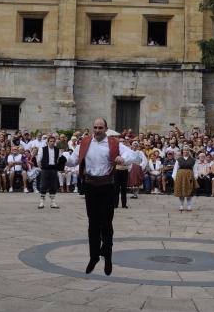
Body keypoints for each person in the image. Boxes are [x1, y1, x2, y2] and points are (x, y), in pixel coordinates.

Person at [62, 118, 139, 276]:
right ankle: (94, 256)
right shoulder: (85, 142)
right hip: (90, 186)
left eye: (100, 127)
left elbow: (132, 155)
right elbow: (73, 160)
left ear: (106, 128)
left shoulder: (114, 143)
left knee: (106, 222)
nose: (97, 130)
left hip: (107, 186)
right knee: (93, 223)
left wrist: (122, 158)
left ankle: (108, 256)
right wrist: (64, 159)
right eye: (95, 127)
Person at [38, 133, 64, 209]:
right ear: (47, 142)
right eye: (50, 141)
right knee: (43, 185)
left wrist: (60, 168)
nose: (52, 143)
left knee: (53, 186)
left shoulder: (57, 150)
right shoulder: (43, 149)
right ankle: (41, 202)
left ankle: (53, 203)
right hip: (45, 169)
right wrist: (41, 168)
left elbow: (60, 159)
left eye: (53, 141)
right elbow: (39, 160)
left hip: (53, 169)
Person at [173, 146, 196, 211]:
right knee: (181, 191)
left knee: (189, 191)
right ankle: (181, 205)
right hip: (180, 177)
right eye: (184, 150)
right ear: (182, 151)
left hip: (189, 176)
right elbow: (175, 169)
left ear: (189, 151)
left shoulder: (193, 160)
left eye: (187, 150)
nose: (185, 152)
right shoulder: (179, 160)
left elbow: (195, 169)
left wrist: (195, 177)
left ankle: (189, 205)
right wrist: (174, 177)